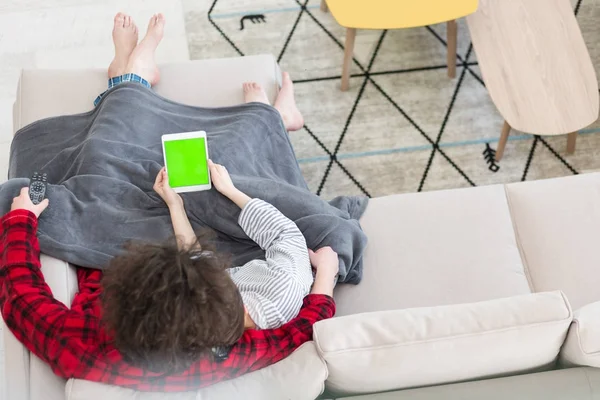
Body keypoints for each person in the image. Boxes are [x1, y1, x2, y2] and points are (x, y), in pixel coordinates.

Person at [0, 12, 338, 391]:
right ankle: (269, 117)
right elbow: (303, 327)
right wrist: (325, 275)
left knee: (71, 166)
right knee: (228, 164)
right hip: (186, 230)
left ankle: (128, 79)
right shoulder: (234, 350)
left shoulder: (85, 347)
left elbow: (20, 293)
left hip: (108, 236)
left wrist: (21, 219)